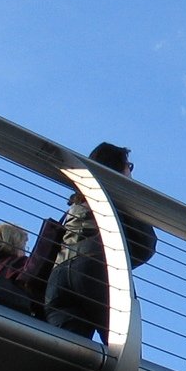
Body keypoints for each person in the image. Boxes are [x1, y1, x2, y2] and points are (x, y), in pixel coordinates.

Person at [45, 142, 157, 342]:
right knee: (124, 353)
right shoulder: (118, 196)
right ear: (115, 170)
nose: (130, 173)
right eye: (128, 166)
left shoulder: (77, 201)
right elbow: (146, 244)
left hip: (58, 276)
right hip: (97, 269)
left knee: (64, 355)